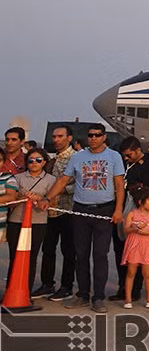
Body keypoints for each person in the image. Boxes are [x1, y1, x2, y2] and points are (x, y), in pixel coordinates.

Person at [44, 124, 125, 313]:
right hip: (80, 210)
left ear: (104, 137)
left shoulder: (114, 156)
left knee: (100, 255)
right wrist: (49, 198)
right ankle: (82, 294)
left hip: (104, 210)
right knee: (81, 255)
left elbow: (119, 184)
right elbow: (63, 180)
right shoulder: (78, 157)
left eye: (97, 135)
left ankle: (98, 297)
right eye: (90, 135)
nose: (93, 138)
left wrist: (118, 210)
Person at [113, 136, 149, 302]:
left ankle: (136, 290)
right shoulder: (124, 163)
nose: (126, 158)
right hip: (119, 209)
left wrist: (128, 186)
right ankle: (122, 287)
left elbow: (143, 189)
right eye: (124, 155)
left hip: (136, 211)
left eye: (129, 155)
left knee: (137, 255)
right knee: (121, 251)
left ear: (138, 150)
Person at [34, 124, 76, 300]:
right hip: (49, 211)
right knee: (48, 248)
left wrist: (58, 190)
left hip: (68, 210)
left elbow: (78, 185)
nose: (56, 140)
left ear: (69, 138)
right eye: (54, 137)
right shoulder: (53, 159)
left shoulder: (76, 158)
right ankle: (47, 284)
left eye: (60, 136)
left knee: (68, 250)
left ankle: (67, 286)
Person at [6, 147, 54, 293]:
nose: (34, 163)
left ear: (44, 162)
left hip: (38, 222)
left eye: (38, 160)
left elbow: (54, 202)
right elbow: (12, 197)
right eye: (31, 160)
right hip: (16, 221)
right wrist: (20, 198)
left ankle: (25, 291)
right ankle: (11, 290)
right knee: (14, 256)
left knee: (31, 257)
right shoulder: (18, 177)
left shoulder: (51, 180)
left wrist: (40, 198)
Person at [120, 187, 149, 309]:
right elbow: (126, 228)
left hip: (147, 245)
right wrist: (135, 229)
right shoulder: (132, 214)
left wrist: (146, 233)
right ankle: (128, 299)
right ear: (141, 201)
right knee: (131, 271)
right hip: (134, 245)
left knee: (147, 272)